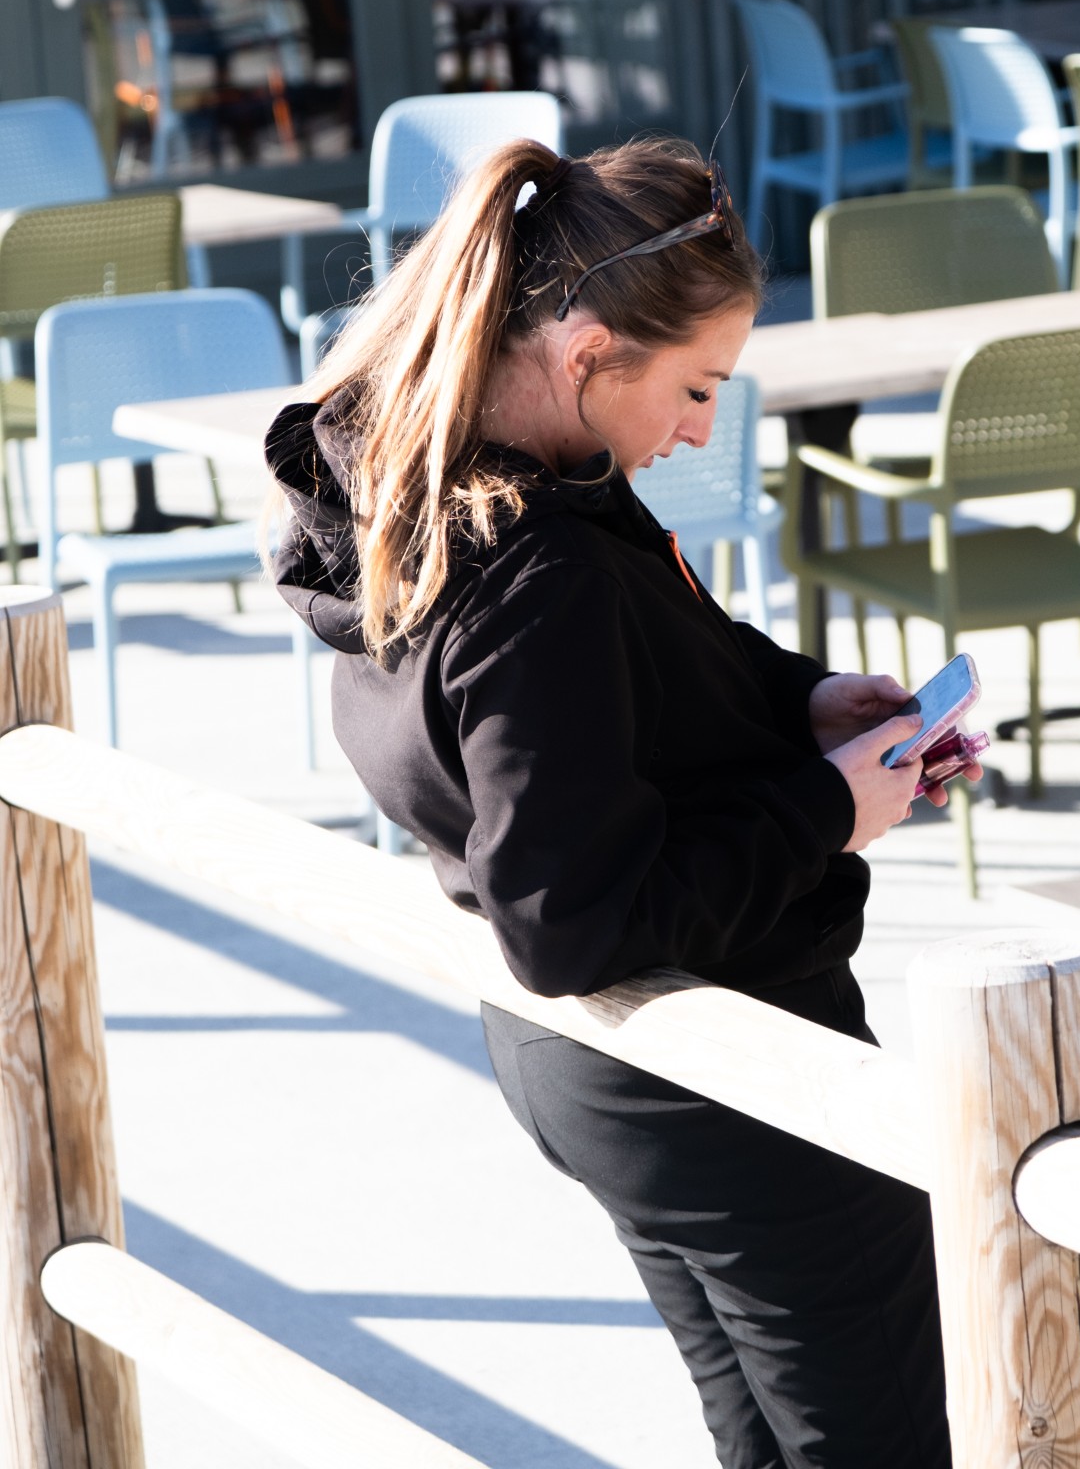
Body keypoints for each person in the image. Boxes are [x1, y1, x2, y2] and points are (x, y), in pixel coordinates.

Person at [267, 135, 970, 1468]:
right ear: (588, 352)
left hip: (592, 1072)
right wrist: (826, 811)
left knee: (762, 1437)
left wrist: (800, 702)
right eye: (697, 388)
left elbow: (640, 677)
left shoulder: (436, 493)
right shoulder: (541, 576)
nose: (701, 428)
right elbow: (572, 918)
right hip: (726, 1073)